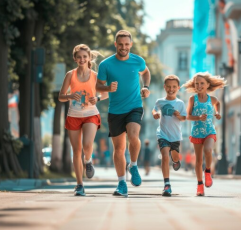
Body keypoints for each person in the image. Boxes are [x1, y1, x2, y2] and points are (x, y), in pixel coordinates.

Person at [96, 30, 151, 197]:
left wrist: (146, 87)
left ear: (131, 45)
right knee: (118, 148)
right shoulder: (105, 64)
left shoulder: (138, 61)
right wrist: (107, 88)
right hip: (115, 110)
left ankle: (133, 165)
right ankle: (121, 183)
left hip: (134, 106)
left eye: (127, 44)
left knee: (134, 136)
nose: (123, 47)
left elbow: (146, 73)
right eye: (120, 44)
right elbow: (98, 86)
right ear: (115, 44)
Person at [59, 44, 108, 196]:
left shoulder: (95, 76)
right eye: (79, 57)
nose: (82, 59)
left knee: (87, 145)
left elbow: (105, 94)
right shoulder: (70, 75)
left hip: (90, 113)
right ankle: (79, 185)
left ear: (89, 58)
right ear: (75, 58)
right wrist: (69, 96)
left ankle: (88, 161)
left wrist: (97, 98)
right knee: (76, 150)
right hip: (73, 115)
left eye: (84, 57)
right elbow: (61, 96)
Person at [183, 72, 226, 196]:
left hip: (209, 131)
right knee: (198, 161)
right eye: (197, 83)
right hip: (196, 133)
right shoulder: (193, 99)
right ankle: (200, 185)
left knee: (208, 150)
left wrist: (217, 113)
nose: (199, 85)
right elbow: (187, 116)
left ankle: (207, 171)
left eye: (202, 83)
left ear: (208, 84)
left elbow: (217, 104)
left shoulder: (212, 99)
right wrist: (198, 118)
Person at [152, 75, 187, 196]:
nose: (171, 89)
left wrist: (179, 115)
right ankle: (167, 185)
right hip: (163, 134)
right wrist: (155, 113)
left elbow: (183, 118)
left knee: (174, 157)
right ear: (164, 87)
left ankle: (176, 161)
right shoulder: (160, 101)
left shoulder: (180, 103)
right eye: (168, 86)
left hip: (175, 136)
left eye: (173, 87)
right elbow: (154, 109)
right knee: (165, 156)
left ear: (178, 88)